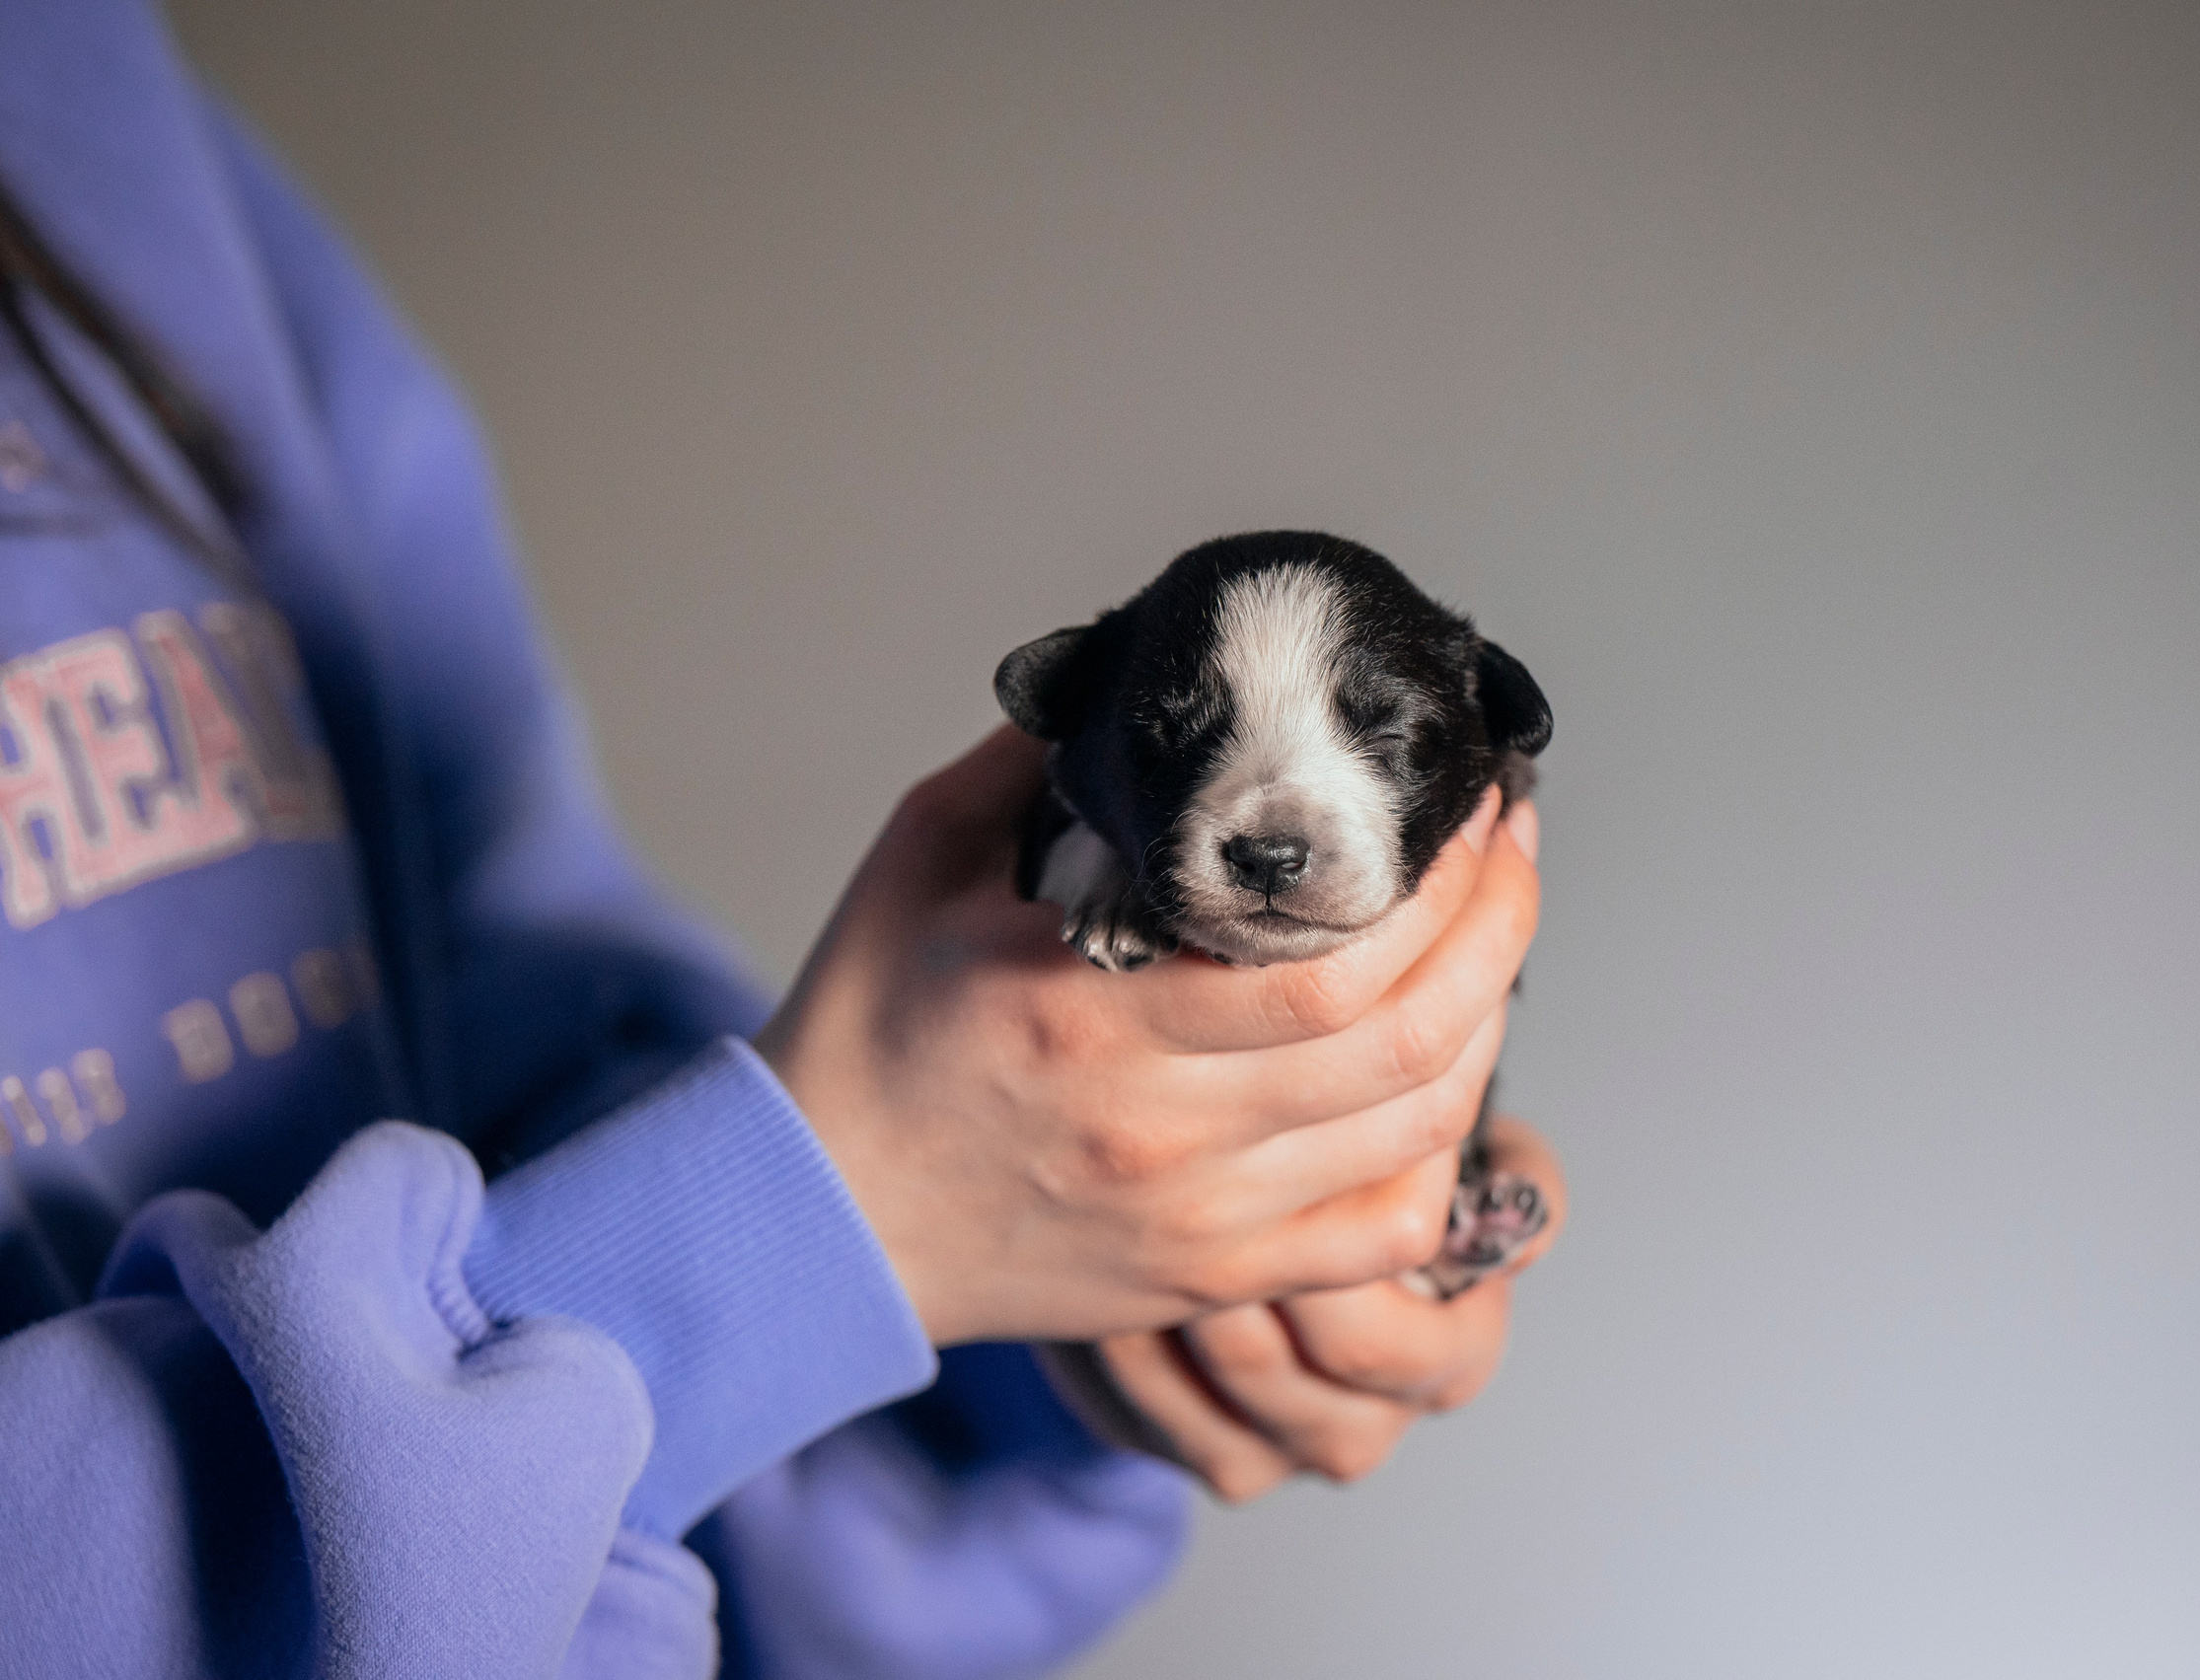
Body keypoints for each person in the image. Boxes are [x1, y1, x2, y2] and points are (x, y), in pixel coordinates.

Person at [0, 3, 1562, 1675]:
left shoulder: (81, 90)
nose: (1273, 817)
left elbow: (537, 1005)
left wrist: (1050, 1303)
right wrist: (843, 1215)